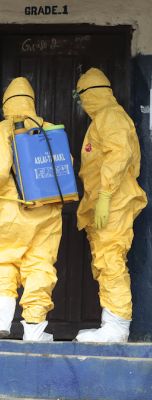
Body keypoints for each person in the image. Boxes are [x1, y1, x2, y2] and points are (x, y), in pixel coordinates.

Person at [73, 68, 147, 343]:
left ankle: (117, 326)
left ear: (89, 94)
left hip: (114, 201)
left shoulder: (110, 117)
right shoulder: (102, 119)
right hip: (106, 201)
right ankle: (110, 323)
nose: (81, 103)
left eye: (80, 96)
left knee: (111, 259)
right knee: (105, 260)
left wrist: (104, 196)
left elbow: (119, 155)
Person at [0, 77, 63, 341]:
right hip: (46, 212)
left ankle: (2, 321)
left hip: (10, 213)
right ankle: (34, 330)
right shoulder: (48, 129)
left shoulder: (4, 130)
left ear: (6, 103)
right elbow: (64, 166)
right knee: (40, 266)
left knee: (4, 263)